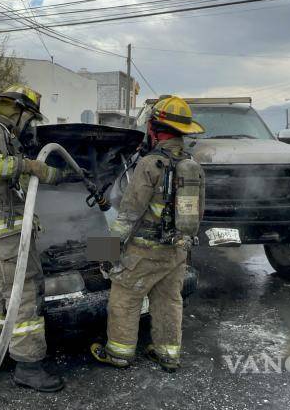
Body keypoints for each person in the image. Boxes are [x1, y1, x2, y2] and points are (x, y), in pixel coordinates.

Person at [0, 84, 77, 393]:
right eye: (30, 118)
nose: (30, 125)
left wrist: (60, 175)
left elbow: (20, 176)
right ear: (19, 111)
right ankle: (28, 367)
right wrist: (30, 164)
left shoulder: (5, 135)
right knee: (24, 295)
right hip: (6, 234)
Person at [91, 95, 205, 373]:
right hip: (176, 251)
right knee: (169, 300)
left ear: (154, 128)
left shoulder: (150, 164)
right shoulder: (193, 166)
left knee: (125, 296)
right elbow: (197, 214)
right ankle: (168, 354)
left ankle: (118, 353)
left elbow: (128, 214)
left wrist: (104, 252)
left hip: (143, 250)